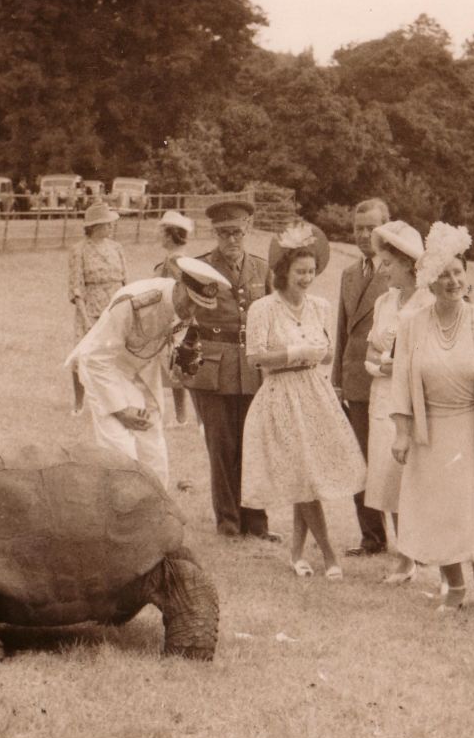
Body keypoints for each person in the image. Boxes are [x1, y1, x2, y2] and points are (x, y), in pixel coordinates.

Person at [389, 223, 474, 613]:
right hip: (432, 432)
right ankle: (456, 588)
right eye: (443, 275)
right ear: (429, 282)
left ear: (466, 276)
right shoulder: (412, 323)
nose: (452, 281)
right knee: (440, 511)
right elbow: (400, 381)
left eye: (458, 272)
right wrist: (401, 432)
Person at [242, 223, 366, 579]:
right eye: (300, 272)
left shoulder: (320, 306)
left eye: (311, 271)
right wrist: (298, 351)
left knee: (306, 476)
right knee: (305, 476)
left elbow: (326, 355)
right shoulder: (263, 308)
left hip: (315, 394)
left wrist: (317, 353)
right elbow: (255, 357)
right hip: (281, 394)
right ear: (283, 271)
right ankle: (329, 556)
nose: (306, 278)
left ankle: (296, 555)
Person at [63, 256, 231, 488]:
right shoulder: (136, 301)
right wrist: (121, 409)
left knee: (153, 446)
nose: (192, 310)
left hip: (141, 372)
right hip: (105, 370)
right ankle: (120, 516)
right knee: (121, 451)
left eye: (200, 306)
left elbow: (169, 354)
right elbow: (97, 357)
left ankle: (156, 511)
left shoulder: (186, 313)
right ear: (180, 284)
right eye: (191, 301)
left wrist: (183, 368)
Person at [183, 199, 277, 541]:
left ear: (248, 229)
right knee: (221, 447)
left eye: (237, 232)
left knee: (253, 445)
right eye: (224, 233)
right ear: (214, 233)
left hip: (252, 367)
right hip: (213, 368)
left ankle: (257, 521)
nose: (231, 240)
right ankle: (228, 523)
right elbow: (182, 313)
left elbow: (273, 315)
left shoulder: (261, 268)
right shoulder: (198, 268)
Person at [362, 220, 434, 584]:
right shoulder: (383, 302)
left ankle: (412, 555)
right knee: (388, 476)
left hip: (415, 398)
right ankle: (404, 554)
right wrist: (376, 365)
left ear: (409, 264)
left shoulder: (428, 301)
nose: (383, 269)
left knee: (412, 476)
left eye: (389, 263)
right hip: (383, 395)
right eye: (381, 262)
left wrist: (403, 364)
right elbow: (373, 348)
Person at [334, 198, 392, 556]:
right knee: (358, 461)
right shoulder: (348, 274)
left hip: (388, 380)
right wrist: (336, 380)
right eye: (358, 228)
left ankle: (410, 541)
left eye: (372, 228)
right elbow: (342, 330)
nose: (365, 235)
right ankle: (372, 538)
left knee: (391, 462)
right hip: (355, 381)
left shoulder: (400, 271)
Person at [67, 202, 128, 415]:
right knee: (82, 355)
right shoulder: (79, 250)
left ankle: (115, 401)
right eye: (107, 223)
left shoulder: (117, 248)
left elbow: (125, 281)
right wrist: (85, 318)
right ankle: (79, 403)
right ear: (95, 226)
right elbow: (76, 286)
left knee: (116, 356)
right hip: (91, 309)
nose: (111, 227)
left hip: (115, 308)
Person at [154, 210, 196, 427]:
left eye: (162, 232)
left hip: (179, 324)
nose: (159, 236)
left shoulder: (178, 262)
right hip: (171, 323)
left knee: (185, 372)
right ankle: (181, 418)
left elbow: (187, 297)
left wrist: (178, 323)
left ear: (170, 235)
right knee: (177, 373)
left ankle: (198, 421)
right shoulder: (172, 260)